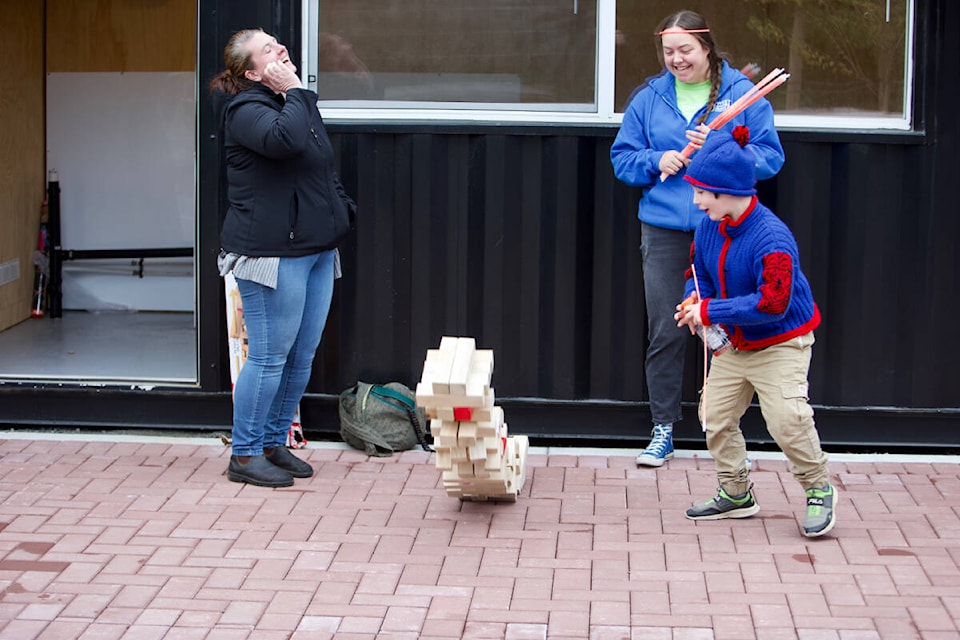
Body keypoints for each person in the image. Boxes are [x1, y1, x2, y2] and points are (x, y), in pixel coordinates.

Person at [610, 11, 785, 467]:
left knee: (731, 324)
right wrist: (656, 159)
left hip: (727, 227)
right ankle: (663, 429)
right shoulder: (649, 97)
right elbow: (622, 159)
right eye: (669, 51)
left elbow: (770, 157)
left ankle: (726, 429)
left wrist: (721, 150)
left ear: (707, 47)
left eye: (685, 49)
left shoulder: (743, 95)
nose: (676, 59)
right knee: (668, 328)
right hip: (665, 228)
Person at [209, 29, 355, 487]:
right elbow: (286, 142)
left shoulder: (295, 103)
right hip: (270, 253)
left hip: (314, 248)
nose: (281, 50)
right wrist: (294, 89)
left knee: (300, 355)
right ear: (252, 72)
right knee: (270, 356)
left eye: (278, 43)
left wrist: (339, 211)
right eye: (269, 50)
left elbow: (320, 160)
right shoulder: (246, 110)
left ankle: (274, 441)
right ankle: (246, 454)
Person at [675, 125, 836, 538]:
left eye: (701, 193)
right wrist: (695, 299)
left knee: (787, 419)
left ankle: (818, 488)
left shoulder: (772, 238)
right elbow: (699, 272)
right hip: (734, 344)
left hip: (781, 342)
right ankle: (736, 493)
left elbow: (772, 305)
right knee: (714, 416)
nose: (695, 201)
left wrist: (711, 310)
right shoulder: (710, 225)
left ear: (725, 191)